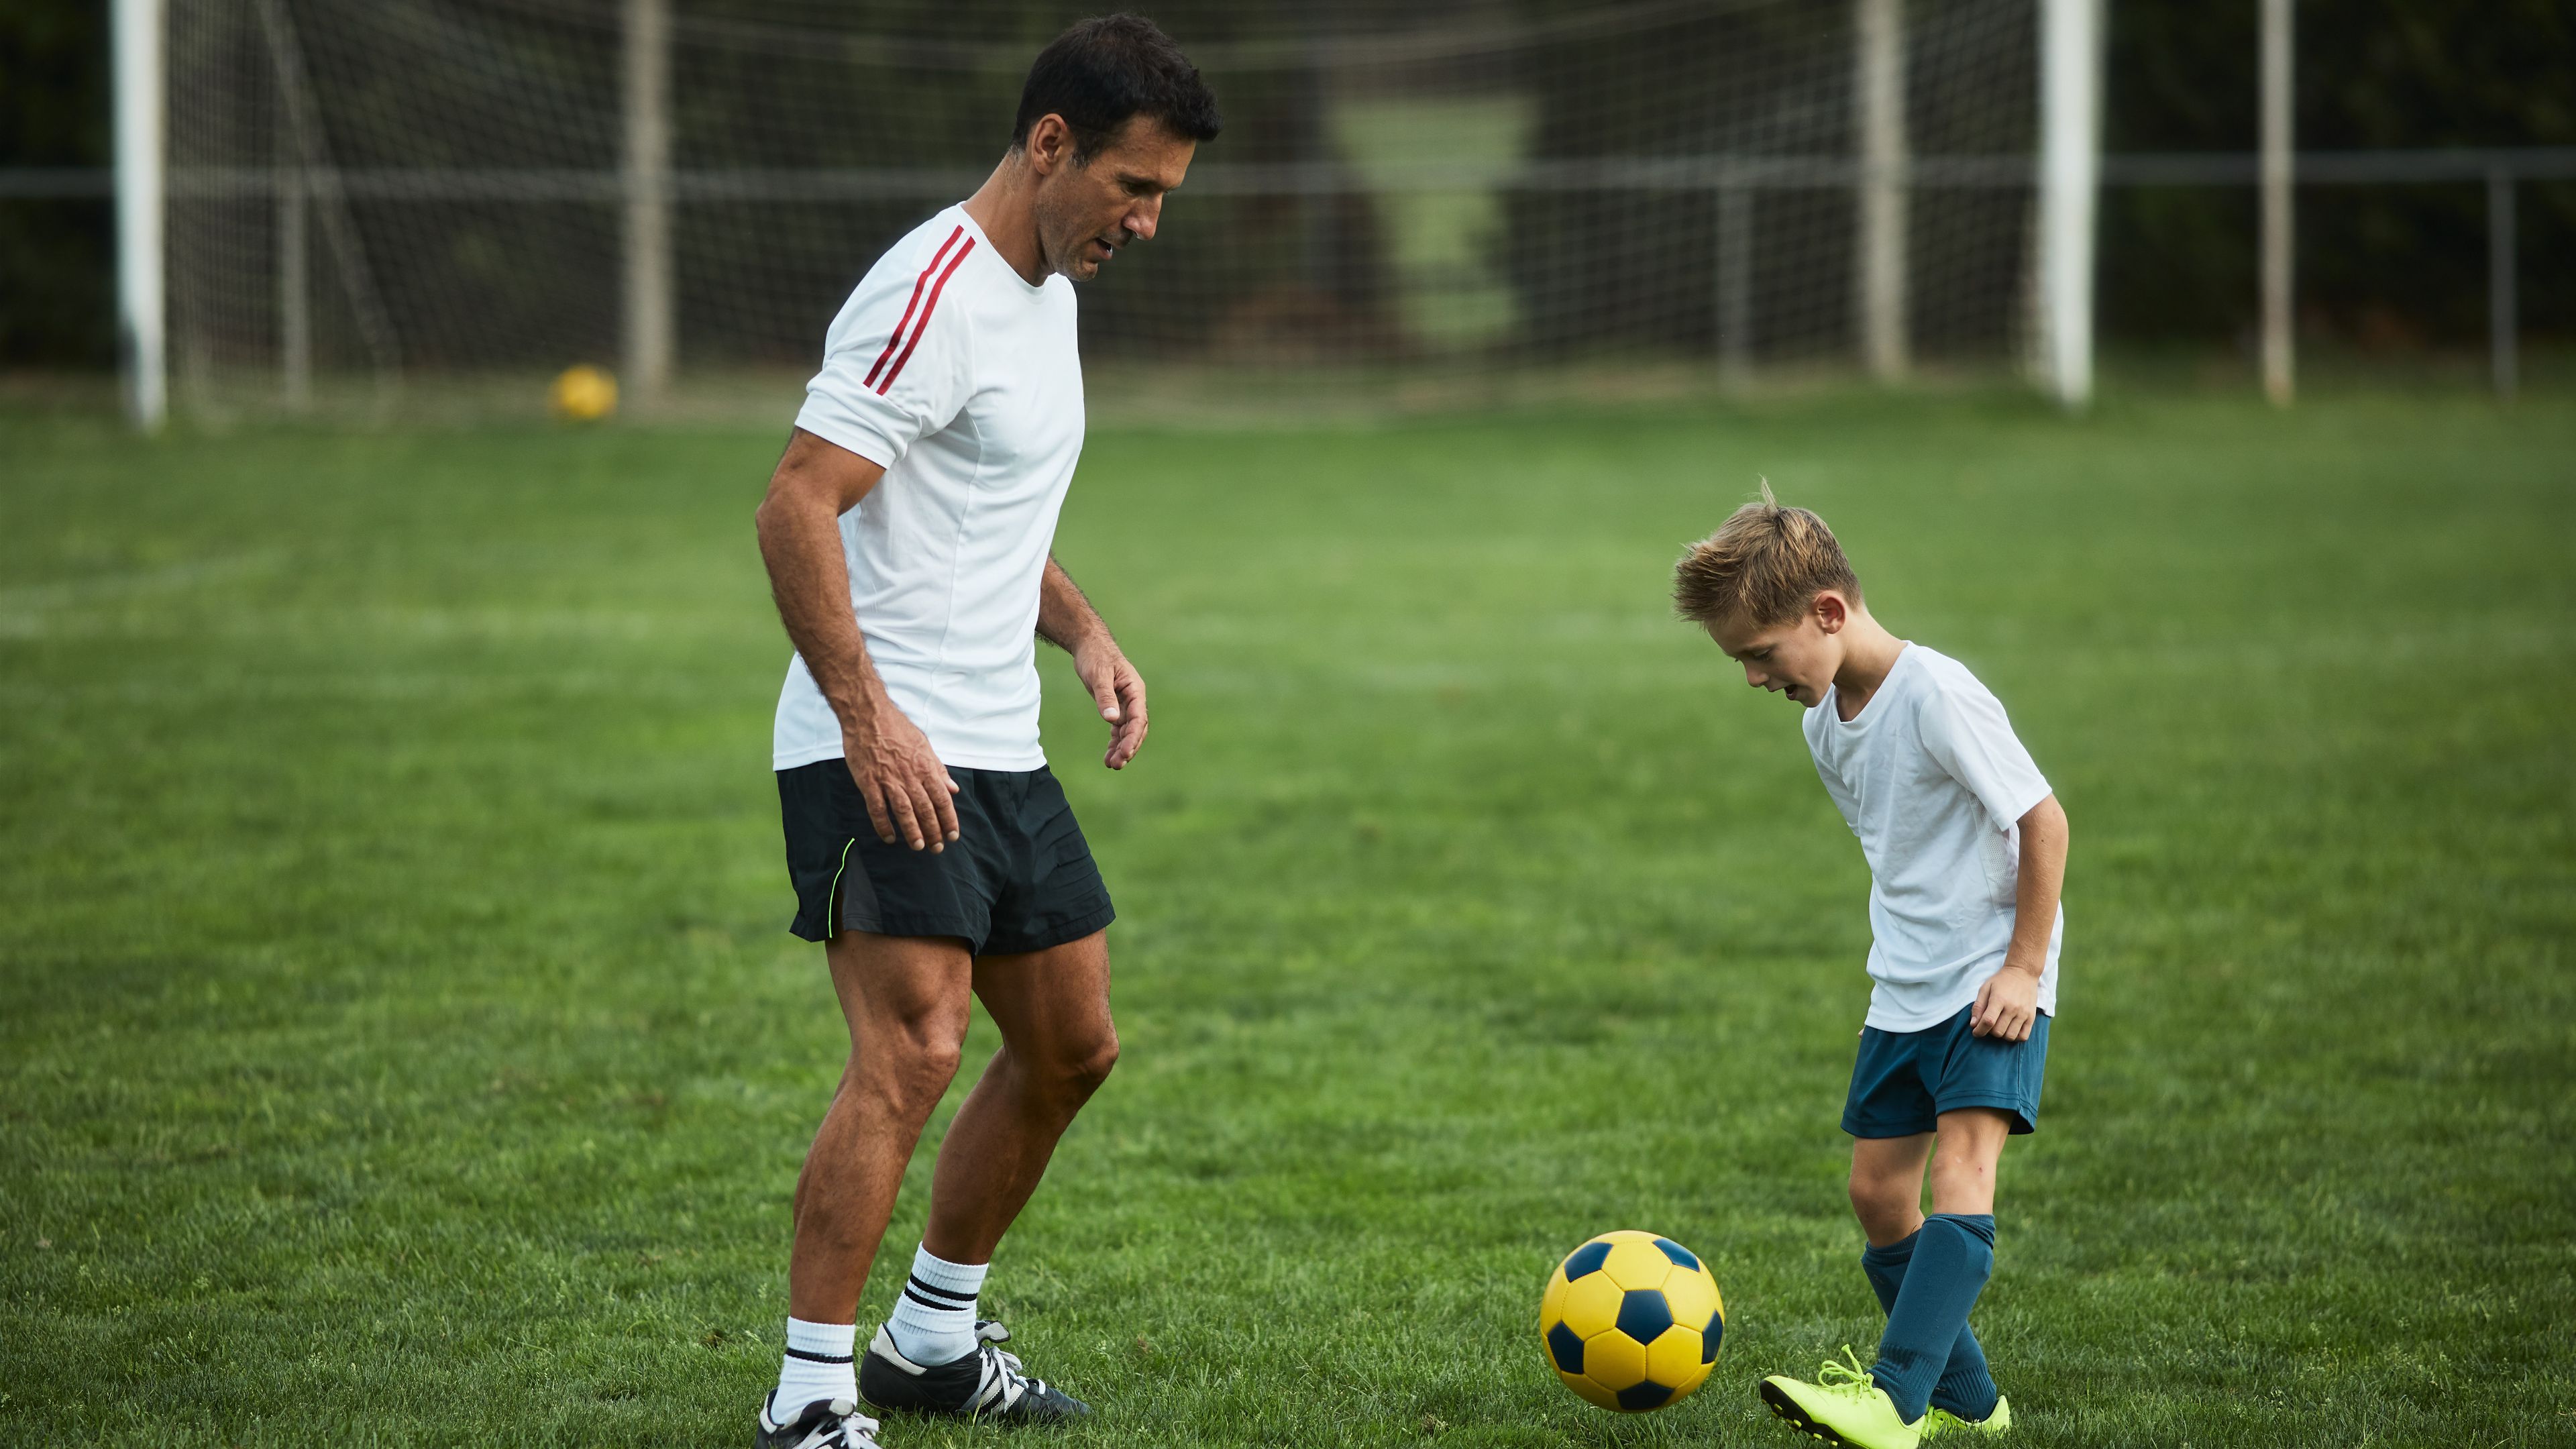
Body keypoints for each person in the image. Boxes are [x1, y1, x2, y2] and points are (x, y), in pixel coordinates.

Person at [749, 17, 1219, 1449]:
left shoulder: (1052, 291)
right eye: (1134, 189)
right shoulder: (933, 289)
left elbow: (982, 516)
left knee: (1073, 1047)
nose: (1144, 222)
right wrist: (868, 715)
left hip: (998, 745)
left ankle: (932, 1345)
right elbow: (794, 504)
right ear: (1050, 143)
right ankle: (811, 1398)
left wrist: (1085, 632)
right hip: (878, 745)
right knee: (915, 1051)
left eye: (1164, 201)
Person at [1674, 487, 2069, 1449]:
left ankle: (1895, 1403)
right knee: (1877, 1195)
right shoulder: (1822, 726)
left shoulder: (1937, 694)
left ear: (1829, 613)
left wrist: (2022, 968)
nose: (1756, 678)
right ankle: (1972, 1403)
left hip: (1990, 978)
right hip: (1905, 981)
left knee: (1963, 1171)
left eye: (1761, 655)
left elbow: (2041, 820)